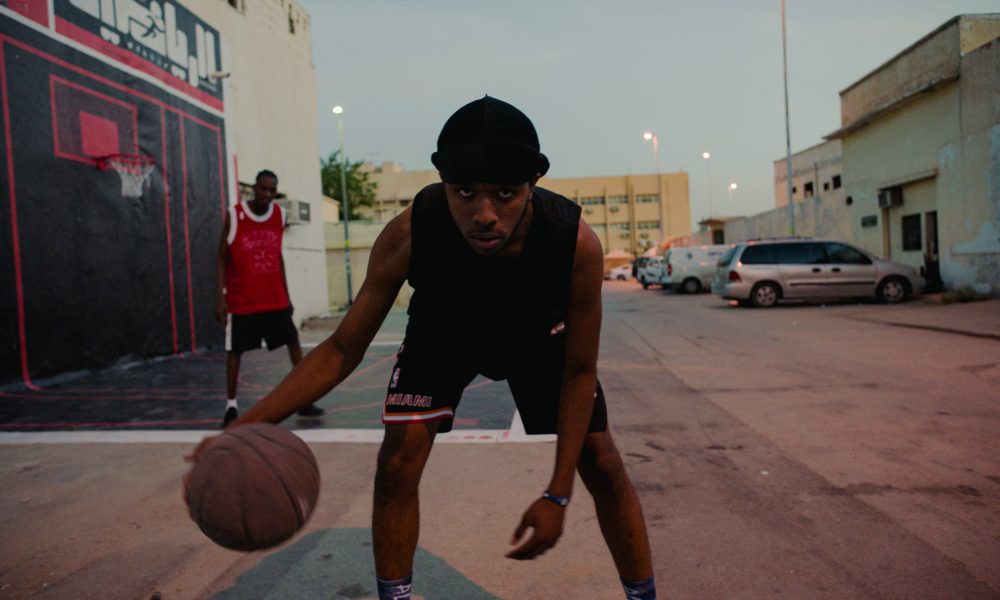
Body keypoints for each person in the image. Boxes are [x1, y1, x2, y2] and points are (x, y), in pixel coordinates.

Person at [195, 98, 656, 600]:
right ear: (444, 184)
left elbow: (579, 371)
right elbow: (343, 348)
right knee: (396, 464)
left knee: (601, 461)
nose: (484, 214)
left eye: (505, 193)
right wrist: (242, 428)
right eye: (465, 192)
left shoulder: (574, 243)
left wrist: (558, 492)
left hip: (535, 336)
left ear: (533, 184)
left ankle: (643, 595)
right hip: (445, 328)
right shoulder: (412, 230)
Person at [214, 169, 324, 427]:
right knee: (234, 351)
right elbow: (221, 256)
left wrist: (287, 294)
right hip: (243, 299)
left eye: (272, 190)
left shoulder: (279, 215)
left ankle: (303, 399)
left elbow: (277, 255)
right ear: (254, 188)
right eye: (263, 188)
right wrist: (220, 296)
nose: (267, 194)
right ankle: (231, 407)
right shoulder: (235, 215)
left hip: (274, 298)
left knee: (293, 343)